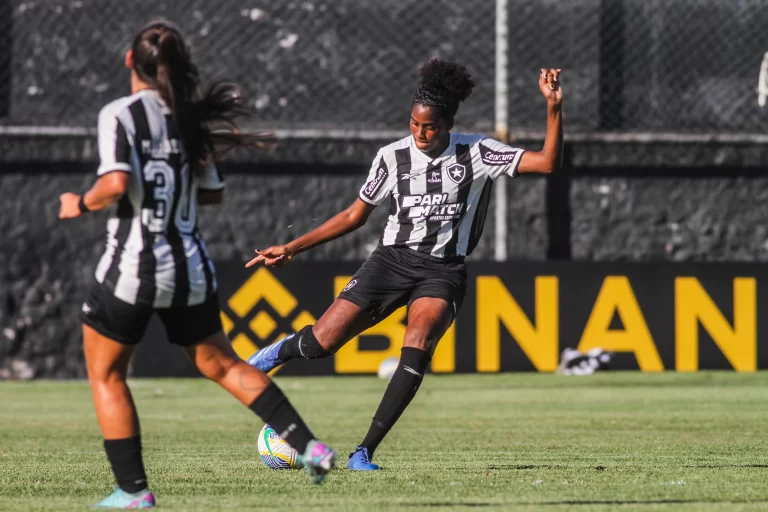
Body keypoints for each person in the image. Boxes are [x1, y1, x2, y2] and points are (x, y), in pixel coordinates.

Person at [58, 20, 335, 509]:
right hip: (190, 265)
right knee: (224, 365)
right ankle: (307, 444)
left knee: (108, 376)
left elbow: (116, 184)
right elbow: (214, 193)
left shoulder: (120, 114)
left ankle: (134, 492)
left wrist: (79, 203)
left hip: (134, 266)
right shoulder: (190, 120)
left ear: (129, 61)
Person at [245, 59, 563, 470]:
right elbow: (352, 216)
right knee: (321, 343)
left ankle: (364, 452)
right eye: (414, 124)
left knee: (418, 343)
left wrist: (553, 107)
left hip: (443, 271)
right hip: (390, 262)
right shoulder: (392, 157)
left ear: (448, 122)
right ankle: (280, 351)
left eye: (429, 126)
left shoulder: (478, 152)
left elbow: (548, 163)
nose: (420, 133)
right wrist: (291, 247)